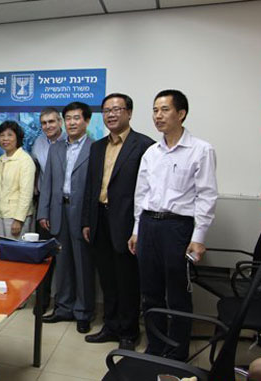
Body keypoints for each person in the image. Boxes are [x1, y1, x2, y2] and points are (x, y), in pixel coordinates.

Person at [129, 89, 218, 361]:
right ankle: (155, 345)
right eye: (155, 110)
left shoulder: (201, 150)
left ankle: (178, 351)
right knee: (150, 291)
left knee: (178, 293)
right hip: (148, 225)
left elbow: (206, 195)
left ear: (181, 113)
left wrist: (199, 237)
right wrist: (136, 230)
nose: (158, 115)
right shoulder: (151, 153)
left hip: (177, 228)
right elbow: (141, 194)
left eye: (164, 109)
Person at [81, 93, 155, 350]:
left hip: (126, 222)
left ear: (129, 113)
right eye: (106, 110)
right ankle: (110, 326)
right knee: (107, 280)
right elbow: (91, 187)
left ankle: (129, 332)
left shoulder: (144, 145)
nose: (111, 115)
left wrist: (138, 228)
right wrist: (87, 221)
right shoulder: (97, 147)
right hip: (99, 219)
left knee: (127, 281)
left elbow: (149, 191)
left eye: (117, 109)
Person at [37, 101, 95, 334]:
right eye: (68, 118)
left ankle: (83, 312)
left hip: (81, 213)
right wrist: (43, 211)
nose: (72, 123)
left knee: (82, 264)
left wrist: (90, 219)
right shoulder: (56, 148)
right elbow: (47, 183)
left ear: (86, 121)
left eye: (76, 118)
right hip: (58, 211)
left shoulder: (95, 148)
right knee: (61, 264)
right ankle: (63, 307)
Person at [30, 107, 66, 312]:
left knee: (64, 258)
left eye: (52, 122)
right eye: (44, 123)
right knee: (43, 256)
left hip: (65, 206)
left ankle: (63, 304)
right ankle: (42, 302)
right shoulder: (38, 143)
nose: (48, 126)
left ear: (60, 122)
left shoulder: (70, 142)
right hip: (44, 206)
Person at [0, 121, 36, 239]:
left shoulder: (25, 160)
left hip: (16, 216)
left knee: (16, 248)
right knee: (1, 248)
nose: (5, 139)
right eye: (2, 135)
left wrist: (19, 220)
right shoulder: (0, 160)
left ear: (17, 138)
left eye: (10, 135)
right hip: (0, 214)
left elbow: (26, 193)